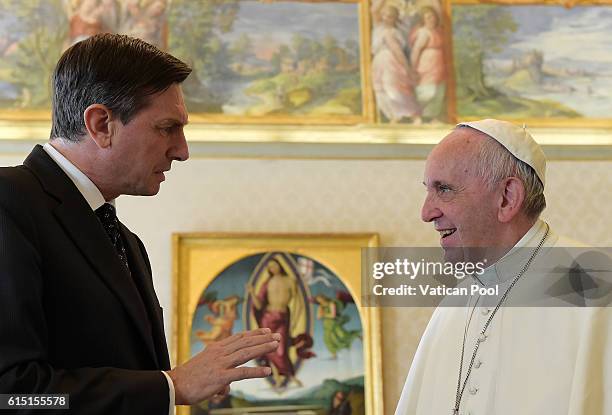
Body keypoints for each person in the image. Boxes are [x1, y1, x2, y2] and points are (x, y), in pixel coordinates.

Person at [0, 33, 280, 414]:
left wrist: (168, 387)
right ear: (101, 124)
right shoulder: (8, 202)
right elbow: (13, 394)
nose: (182, 151)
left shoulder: (126, 241)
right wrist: (170, 386)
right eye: (167, 128)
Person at [395, 119, 612, 414]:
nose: (426, 212)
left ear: (507, 198)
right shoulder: (453, 303)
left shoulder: (597, 288)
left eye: (444, 189)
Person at [371, 1, 421, 124]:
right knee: (380, 89)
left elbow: (397, 51)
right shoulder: (379, 28)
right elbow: (373, 11)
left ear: (395, 18)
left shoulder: (392, 32)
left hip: (390, 61)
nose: (385, 18)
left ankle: (412, 114)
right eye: (384, 15)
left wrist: (408, 68)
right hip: (379, 63)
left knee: (394, 88)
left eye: (389, 16)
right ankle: (393, 115)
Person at [409, 6, 446, 122]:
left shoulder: (437, 31)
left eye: (433, 16)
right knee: (427, 91)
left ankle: (433, 117)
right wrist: (413, 68)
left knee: (438, 92)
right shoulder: (424, 32)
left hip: (438, 65)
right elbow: (416, 51)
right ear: (423, 20)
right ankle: (418, 116)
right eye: (428, 17)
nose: (432, 19)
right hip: (426, 65)